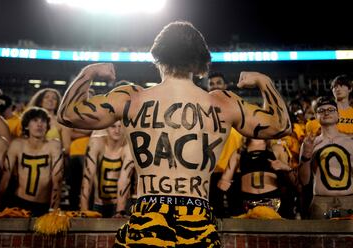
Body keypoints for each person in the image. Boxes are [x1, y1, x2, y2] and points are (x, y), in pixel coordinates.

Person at [58, 21, 291, 247]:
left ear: (157, 59)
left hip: (146, 217)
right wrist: (264, 82)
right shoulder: (222, 103)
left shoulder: (132, 98)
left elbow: (67, 114)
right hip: (197, 219)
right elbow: (280, 125)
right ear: (200, 65)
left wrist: (88, 73)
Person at [0, 107, 64, 216]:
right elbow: (5, 177)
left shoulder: (54, 145)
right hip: (19, 203)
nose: (39, 124)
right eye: (35, 120)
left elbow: (57, 179)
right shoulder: (17, 144)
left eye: (43, 121)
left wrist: (53, 209)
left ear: (47, 126)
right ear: (26, 125)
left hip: (43, 205)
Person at [299, 97, 353, 219]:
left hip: (350, 201)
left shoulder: (350, 142)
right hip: (321, 203)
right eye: (321, 110)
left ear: (338, 115)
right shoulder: (309, 143)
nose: (326, 112)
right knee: (321, 238)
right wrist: (306, 156)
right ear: (316, 116)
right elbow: (303, 181)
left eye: (330, 109)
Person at [217, 138, 296, 218]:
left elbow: (294, 182)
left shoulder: (277, 149)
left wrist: (285, 168)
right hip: (247, 205)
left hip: (274, 203)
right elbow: (224, 181)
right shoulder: (238, 152)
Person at [80, 120, 135, 217]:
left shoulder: (129, 146)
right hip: (99, 204)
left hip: (122, 204)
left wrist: (119, 211)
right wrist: (84, 209)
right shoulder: (96, 143)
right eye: (113, 126)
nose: (117, 130)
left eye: (120, 126)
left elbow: (125, 179)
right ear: (106, 128)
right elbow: (88, 177)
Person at [207, 72, 243, 217]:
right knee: (214, 215)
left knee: (237, 215)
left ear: (225, 85)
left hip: (236, 171)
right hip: (212, 171)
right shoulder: (204, 109)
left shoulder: (237, 106)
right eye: (212, 83)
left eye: (218, 82)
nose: (215, 86)